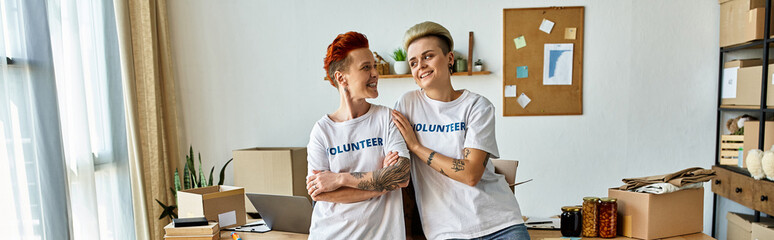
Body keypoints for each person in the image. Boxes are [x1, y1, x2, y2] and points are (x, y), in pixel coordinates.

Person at [392, 21, 530, 240]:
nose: (421, 66)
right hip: (447, 231)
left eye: (428, 56)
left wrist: (416, 147)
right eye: (414, 62)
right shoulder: (407, 104)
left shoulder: (477, 106)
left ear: (449, 59)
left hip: (500, 224)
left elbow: (471, 174)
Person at [305, 31, 411, 240]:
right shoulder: (322, 131)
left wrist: (339, 179)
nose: (375, 73)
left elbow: (400, 175)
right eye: (366, 67)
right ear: (341, 78)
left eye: (374, 66)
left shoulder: (387, 118)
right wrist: (381, 184)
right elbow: (322, 193)